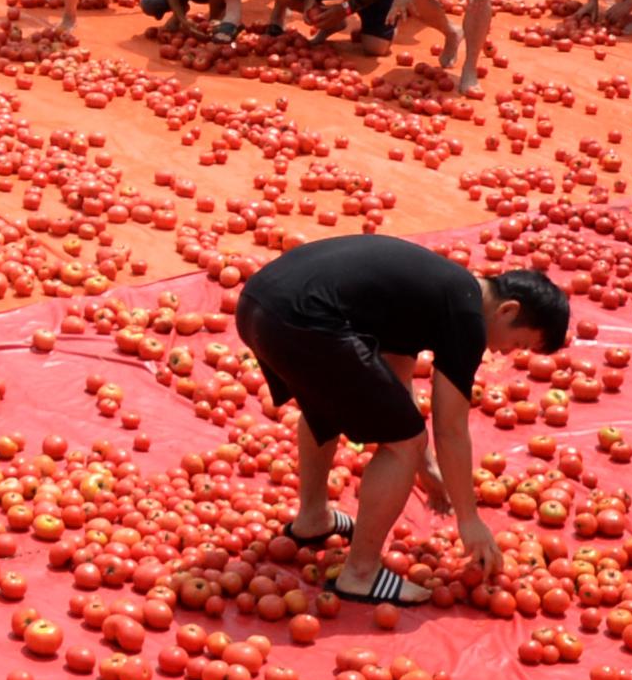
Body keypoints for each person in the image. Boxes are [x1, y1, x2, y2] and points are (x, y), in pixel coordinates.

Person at [235, 234, 567, 607]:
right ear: (508, 310)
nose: (506, 353)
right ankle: (361, 572)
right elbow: (449, 427)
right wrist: (468, 519)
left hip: (257, 304)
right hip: (301, 318)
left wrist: (426, 467)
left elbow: (395, 379)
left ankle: (313, 519)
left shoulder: (437, 289)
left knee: (326, 407)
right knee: (405, 440)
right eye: (519, 343)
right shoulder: (467, 316)